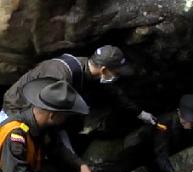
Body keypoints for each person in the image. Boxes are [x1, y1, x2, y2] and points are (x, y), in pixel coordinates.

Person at [1, 45, 156, 126]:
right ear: (104, 69)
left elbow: (114, 94)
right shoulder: (61, 75)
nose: (117, 76)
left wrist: (140, 113)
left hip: (43, 117)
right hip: (15, 111)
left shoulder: (88, 69)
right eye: (117, 73)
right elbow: (40, 110)